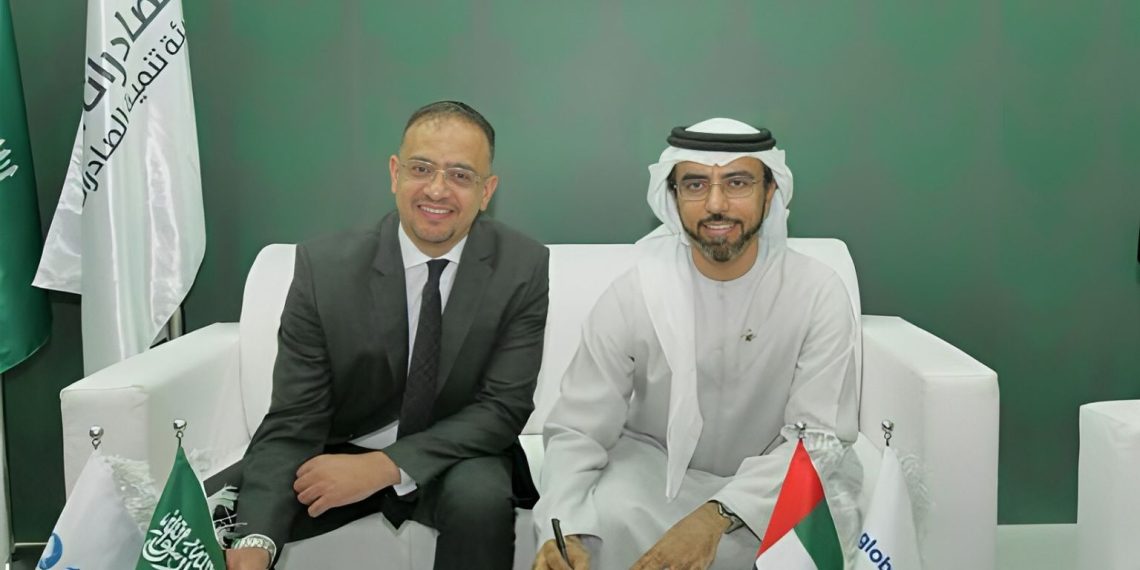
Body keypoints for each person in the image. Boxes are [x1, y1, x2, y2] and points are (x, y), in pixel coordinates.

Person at [218, 100, 550, 570]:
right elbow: (295, 417)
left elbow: (503, 407)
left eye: (460, 175)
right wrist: (256, 543)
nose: (437, 189)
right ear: (395, 173)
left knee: (481, 500)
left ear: (486, 191)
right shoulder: (324, 270)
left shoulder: (523, 266)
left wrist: (385, 467)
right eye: (421, 168)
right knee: (208, 523)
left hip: (456, 452)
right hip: (339, 445)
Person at [532, 118, 861, 569]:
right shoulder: (635, 293)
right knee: (601, 523)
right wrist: (563, 527)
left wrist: (715, 517)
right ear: (673, 196)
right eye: (695, 184)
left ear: (770, 192)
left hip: (773, 487)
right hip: (657, 480)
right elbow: (579, 428)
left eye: (737, 183)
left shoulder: (816, 292)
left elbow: (817, 441)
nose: (716, 204)